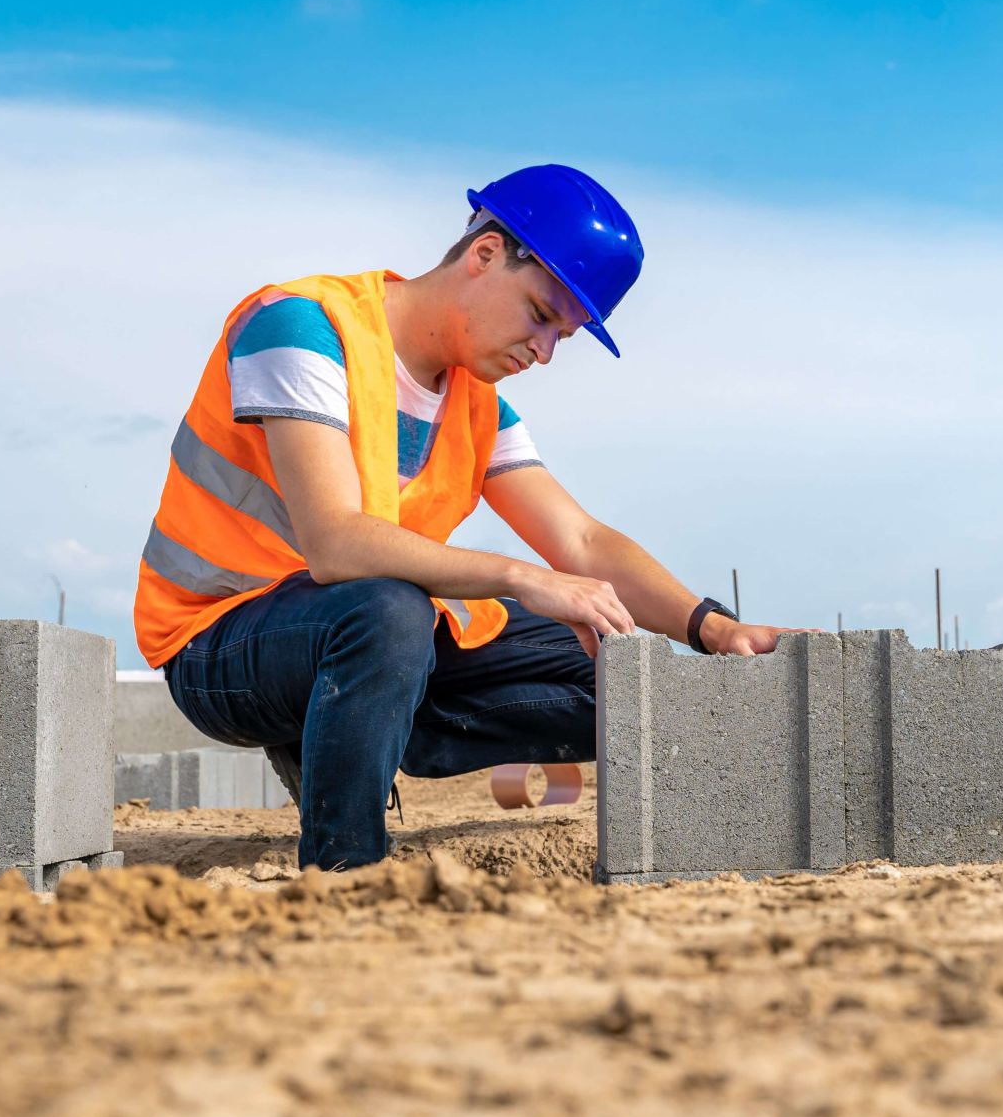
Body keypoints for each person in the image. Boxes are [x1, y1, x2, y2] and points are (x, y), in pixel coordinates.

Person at [133, 165, 794, 871]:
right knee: (386, 610)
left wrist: (714, 628)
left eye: (562, 339)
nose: (542, 353)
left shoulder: (477, 405)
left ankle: (374, 726)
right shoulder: (304, 325)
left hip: (376, 638)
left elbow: (581, 540)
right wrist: (524, 577)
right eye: (541, 316)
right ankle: (346, 867)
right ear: (484, 254)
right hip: (221, 641)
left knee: (612, 652)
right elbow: (334, 542)